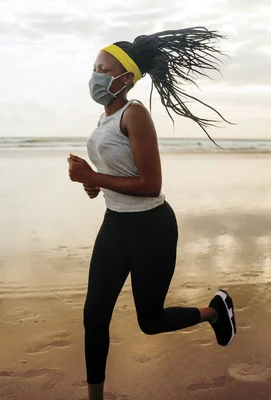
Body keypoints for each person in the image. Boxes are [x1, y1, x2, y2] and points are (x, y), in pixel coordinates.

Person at [66, 28, 237, 400]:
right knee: (94, 316)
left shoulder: (135, 114)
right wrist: (92, 184)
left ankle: (215, 311)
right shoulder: (104, 119)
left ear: (126, 79)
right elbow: (117, 176)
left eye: (104, 69)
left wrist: (93, 175)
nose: (95, 75)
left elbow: (151, 184)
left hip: (151, 228)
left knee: (151, 321)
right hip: (114, 225)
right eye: (95, 67)